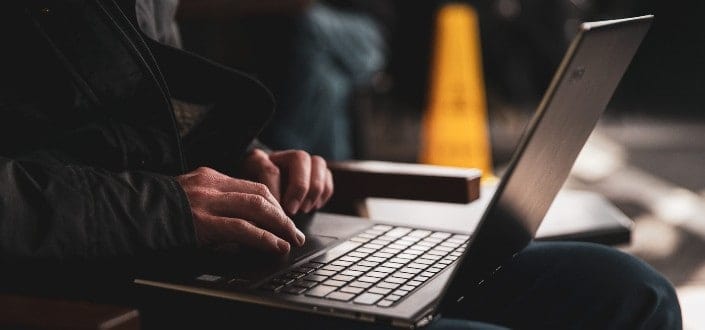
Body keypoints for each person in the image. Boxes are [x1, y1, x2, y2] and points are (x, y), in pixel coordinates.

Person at [0, 1, 682, 329]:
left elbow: (142, 117)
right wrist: (166, 207)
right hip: (92, 286)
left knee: (627, 292)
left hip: (209, 252)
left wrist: (244, 163)